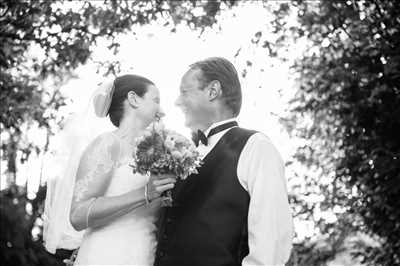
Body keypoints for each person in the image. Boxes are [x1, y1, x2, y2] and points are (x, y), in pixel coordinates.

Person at [154, 57, 293, 266]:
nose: (177, 102)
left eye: (185, 92)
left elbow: (271, 239)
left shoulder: (255, 146)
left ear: (213, 91)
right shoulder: (181, 155)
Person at [44, 74, 176, 266]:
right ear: (133, 99)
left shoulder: (160, 152)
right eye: (156, 100)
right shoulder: (108, 144)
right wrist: (145, 192)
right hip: (106, 255)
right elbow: (78, 215)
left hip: (144, 254)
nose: (162, 111)